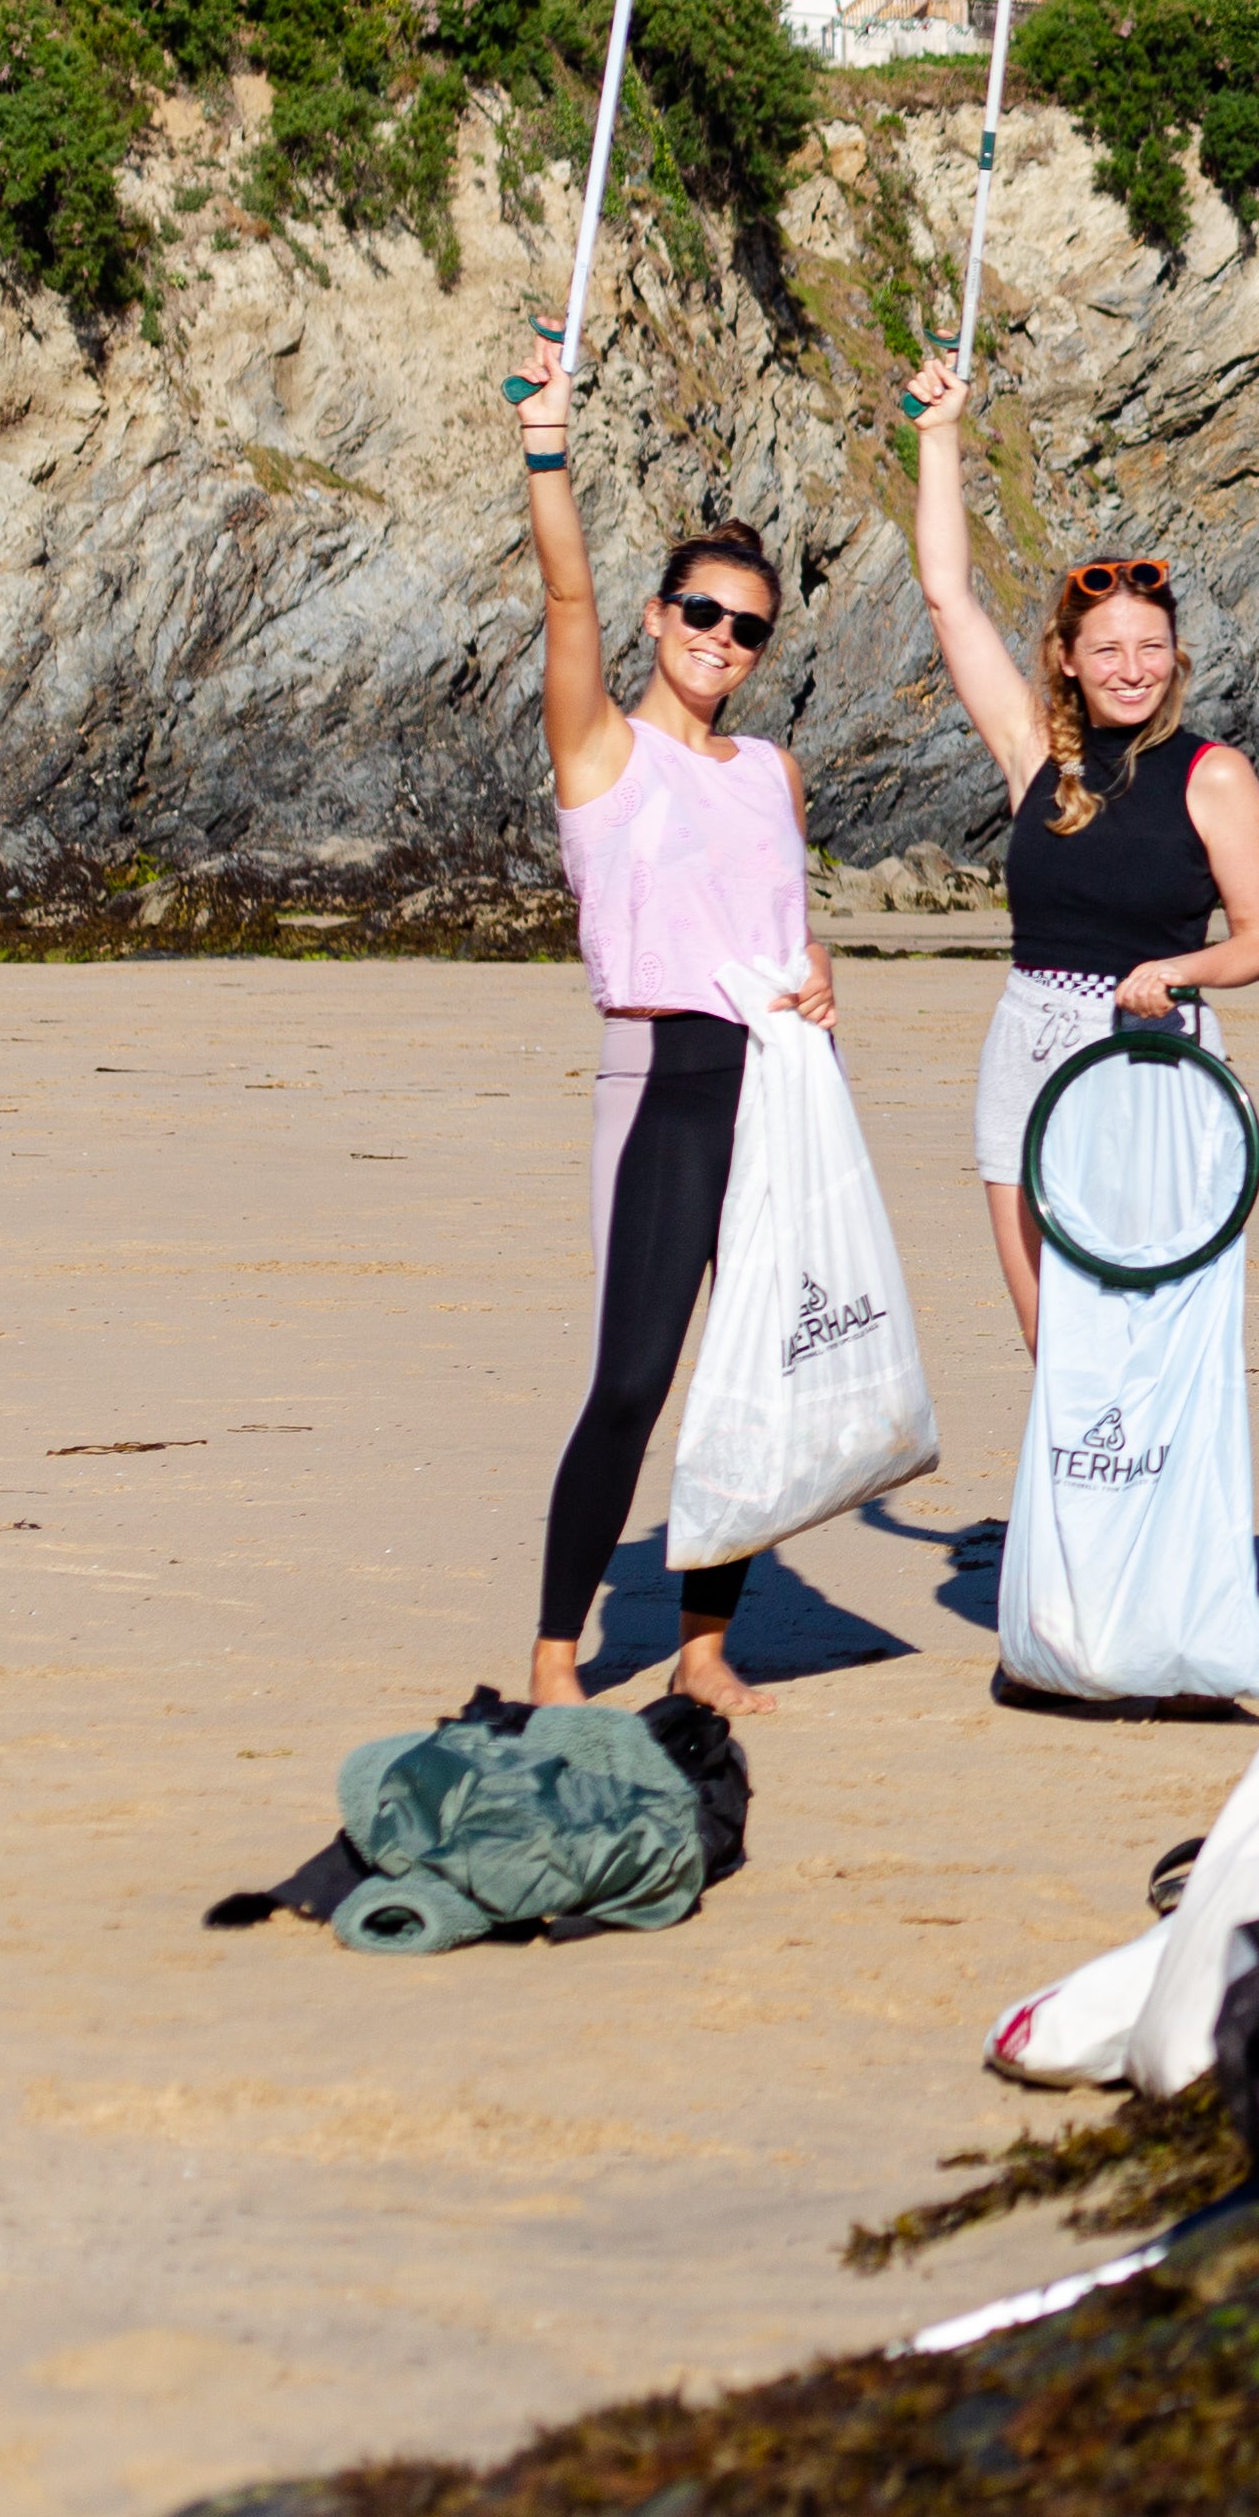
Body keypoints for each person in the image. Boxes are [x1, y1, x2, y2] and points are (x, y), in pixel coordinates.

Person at [506, 335, 832, 1717]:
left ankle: (705, 1644)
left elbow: (784, 929)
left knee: (754, 1375)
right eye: (702, 613)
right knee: (633, 1377)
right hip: (661, 1081)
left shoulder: (772, 771)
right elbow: (564, 591)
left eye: (749, 627)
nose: (722, 641)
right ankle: (555, 1658)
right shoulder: (603, 754)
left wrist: (821, 974)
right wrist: (546, 455)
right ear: (660, 617)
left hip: (778, 1084)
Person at [899, 361, 1259, 1348]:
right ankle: (1070, 1502)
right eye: (1108, 649)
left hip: (1157, 1052)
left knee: (1150, 1317)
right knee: (1052, 1328)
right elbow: (948, 597)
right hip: (1029, 1038)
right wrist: (939, 437)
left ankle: (1154, 1501)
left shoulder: (1214, 775)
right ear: (1068, 659)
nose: (1131, 668)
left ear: (1176, 658)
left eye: (1151, 647)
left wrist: (1175, 970)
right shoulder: (1033, 751)